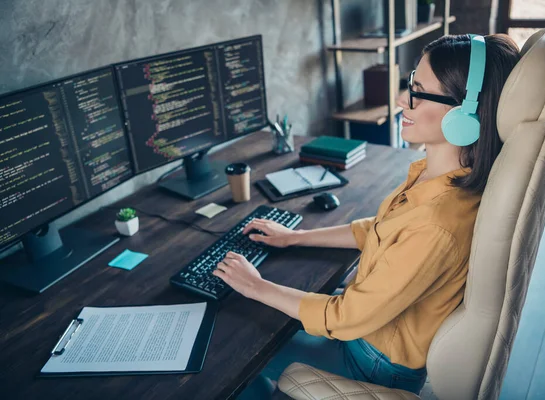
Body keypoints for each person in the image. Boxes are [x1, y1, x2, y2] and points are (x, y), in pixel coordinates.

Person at [213, 33, 521, 399]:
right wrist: (292, 237)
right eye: (410, 84)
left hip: (375, 364)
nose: (399, 100)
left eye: (418, 92)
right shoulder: (434, 178)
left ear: (464, 116)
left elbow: (345, 317)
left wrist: (255, 285)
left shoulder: (438, 223)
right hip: (366, 338)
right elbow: (378, 230)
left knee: (228, 365)